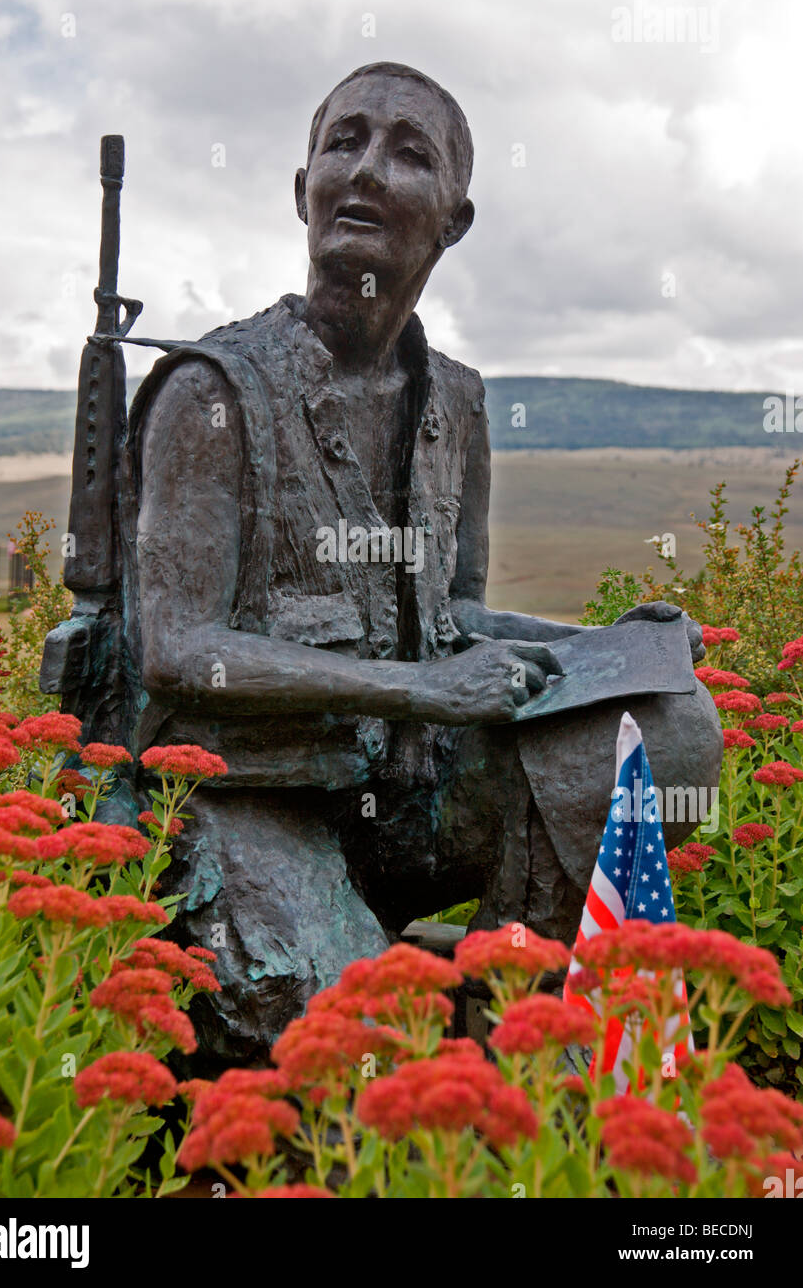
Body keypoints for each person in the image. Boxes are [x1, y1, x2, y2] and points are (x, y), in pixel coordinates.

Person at [123, 63, 722, 1060]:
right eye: (343, 143)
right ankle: (384, 1017)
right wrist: (423, 689)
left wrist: (610, 644)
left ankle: (513, 996)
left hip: (405, 793)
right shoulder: (212, 390)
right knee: (367, 1057)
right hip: (249, 796)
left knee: (671, 722)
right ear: (301, 186)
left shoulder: (457, 399)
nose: (365, 170)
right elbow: (178, 652)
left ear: (454, 217)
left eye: (408, 154)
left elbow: (458, 617)